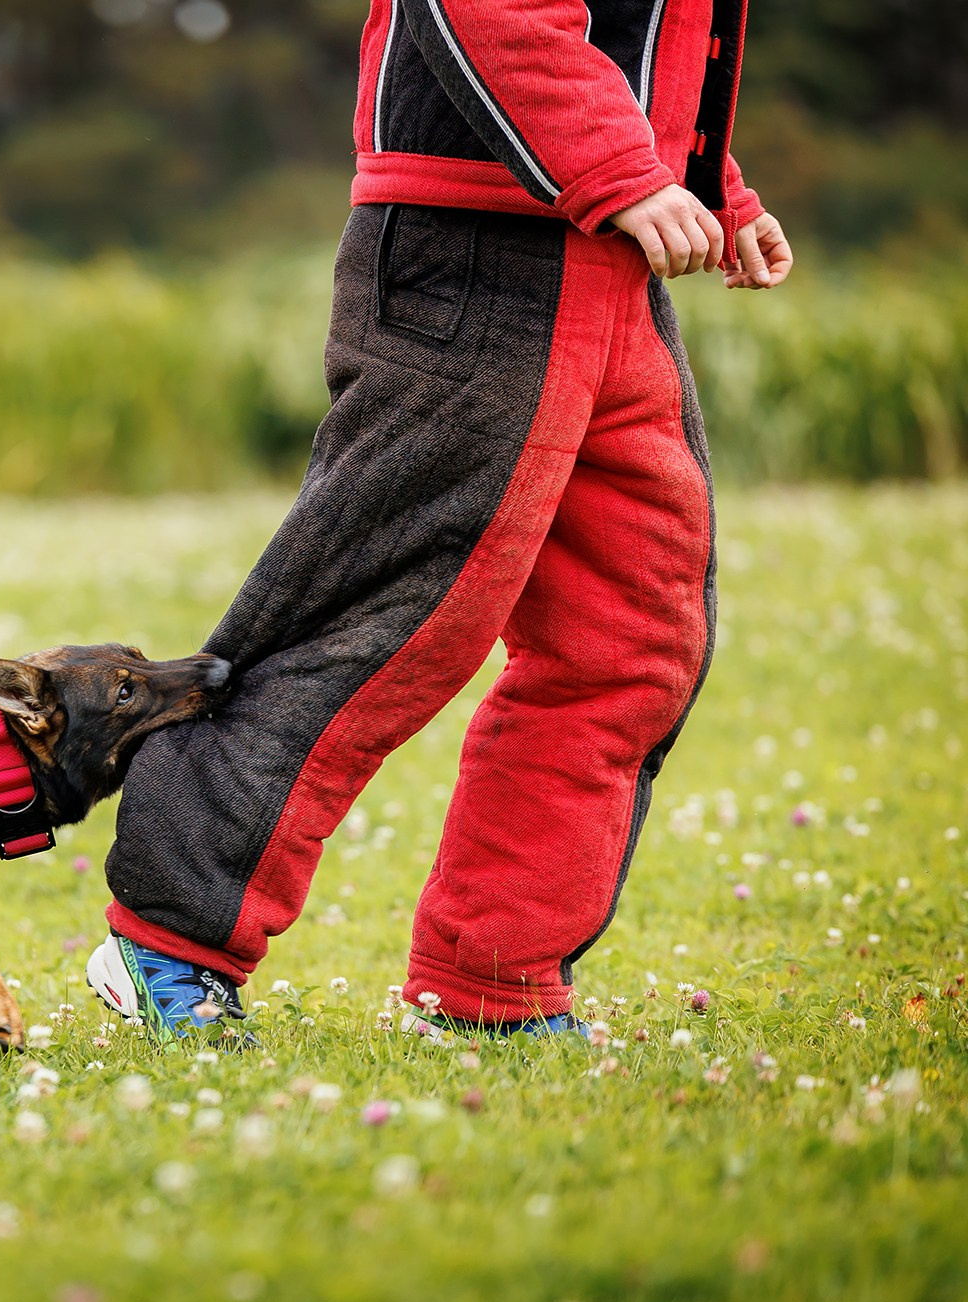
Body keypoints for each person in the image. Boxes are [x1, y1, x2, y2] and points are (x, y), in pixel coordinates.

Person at [86, 0, 793, 1041]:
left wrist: (705, 184)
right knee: (379, 622)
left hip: (612, 265)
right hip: (474, 257)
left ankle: (488, 988)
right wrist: (623, 171)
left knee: (630, 641)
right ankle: (166, 940)